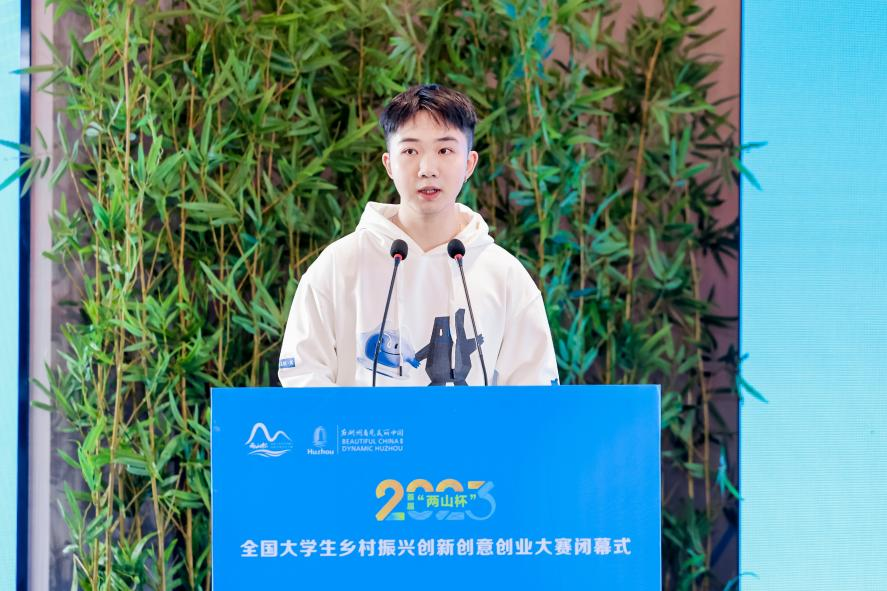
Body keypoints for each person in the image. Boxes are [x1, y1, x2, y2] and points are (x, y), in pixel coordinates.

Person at [278, 84, 559, 387]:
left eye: (445, 150)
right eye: (410, 151)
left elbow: (534, 391)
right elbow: (303, 375)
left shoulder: (505, 275)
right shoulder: (339, 264)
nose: (427, 169)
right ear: (389, 164)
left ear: (469, 164)